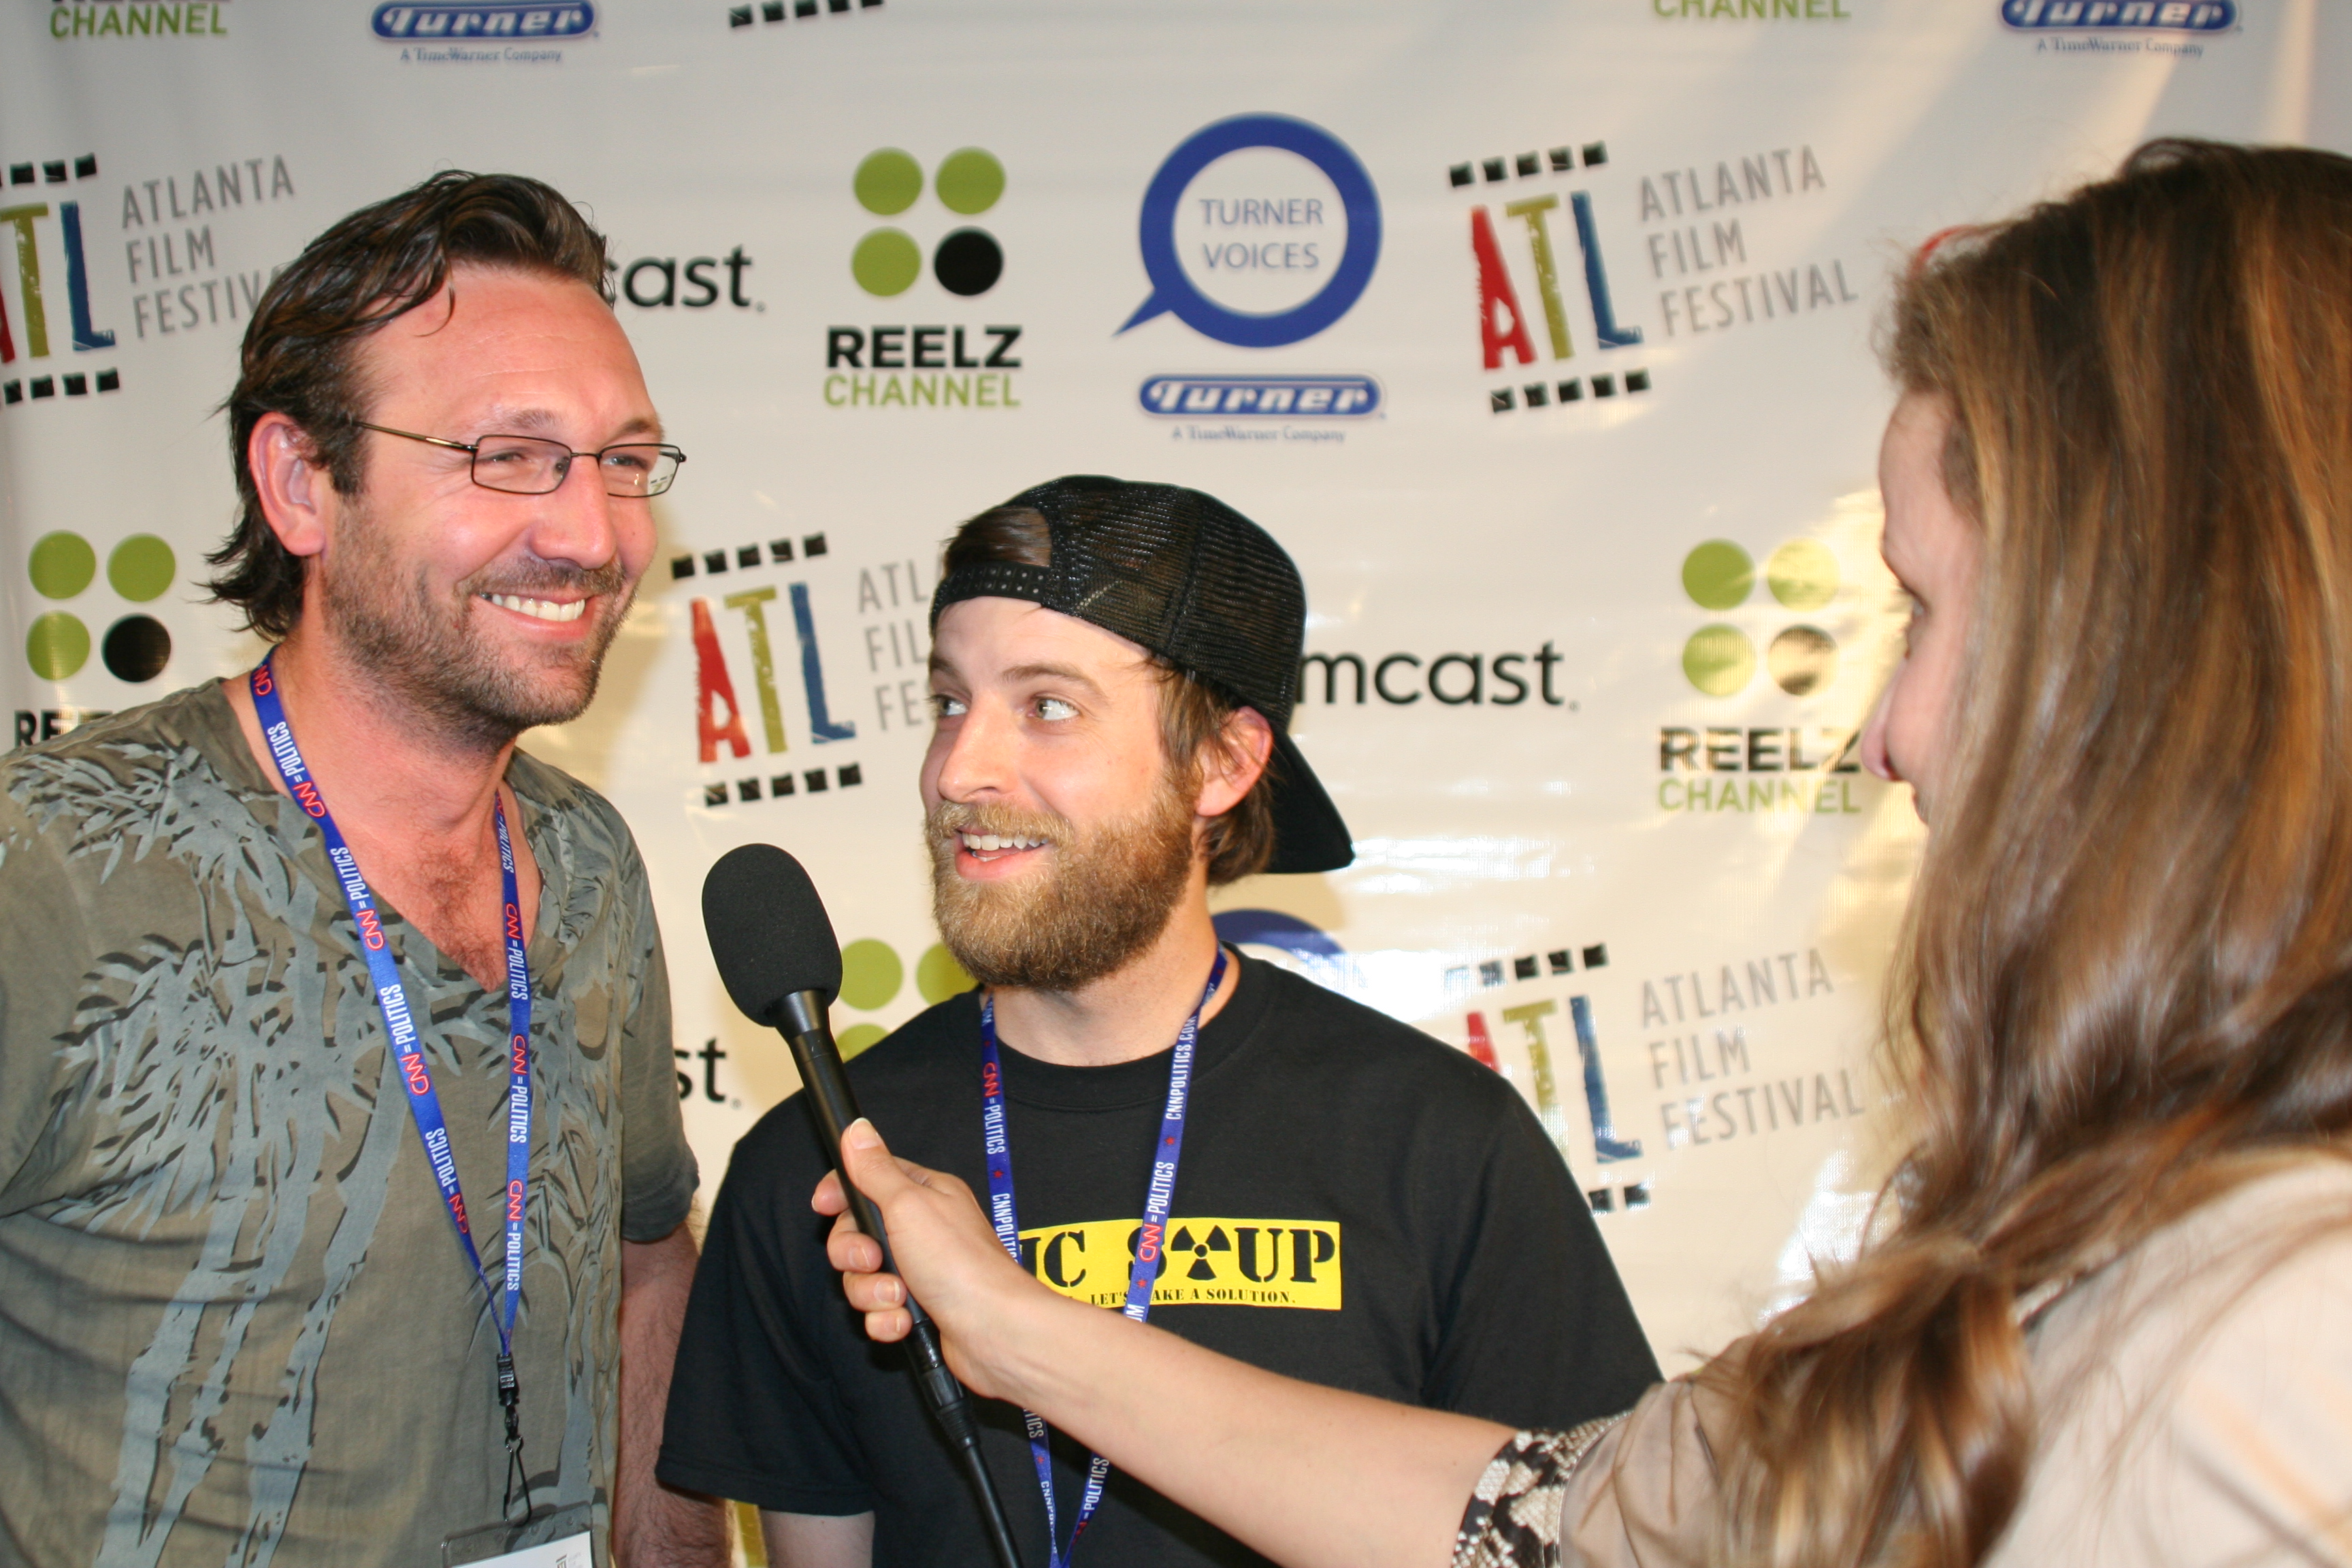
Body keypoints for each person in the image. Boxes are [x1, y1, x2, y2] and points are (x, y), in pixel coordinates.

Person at [811, 141, 2352, 1568]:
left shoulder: (2292, 1334)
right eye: (950, 701)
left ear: (2153, 651)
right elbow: (1570, 1521)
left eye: (1927, 611)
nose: (1889, 734)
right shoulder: (2108, 1239)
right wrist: (1009, 1328)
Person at [656, 476, 1660, 1567]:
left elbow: (1591, 1536)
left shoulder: (1441, 1141)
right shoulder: (825, 1163)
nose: (959, 769)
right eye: (951, 701)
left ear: (1222, 762)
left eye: (1046, 706)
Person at [0, 173, 727, 1567]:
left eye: (623, 462)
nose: (590, 532)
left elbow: (645, 1266)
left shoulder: (586, 864)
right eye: (509, 455)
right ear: (301, 485)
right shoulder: (52, 865)